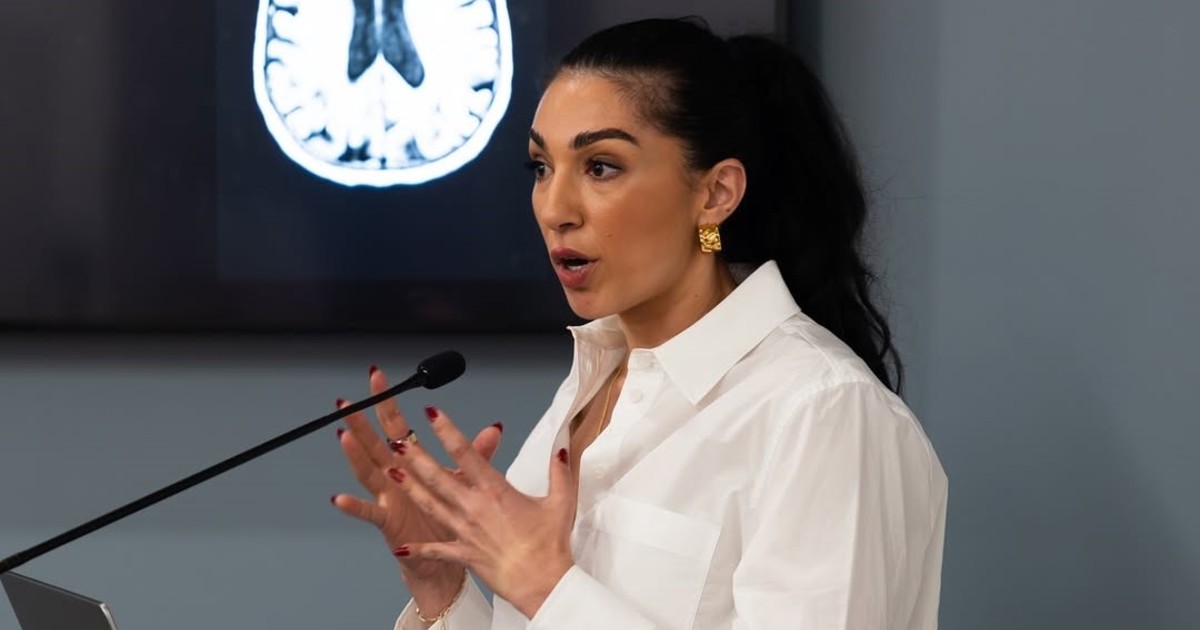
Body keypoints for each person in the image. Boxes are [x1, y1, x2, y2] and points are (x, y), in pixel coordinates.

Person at [330, 17, 947, 630]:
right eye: (541, 167)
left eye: (600, 166)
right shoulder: (593, 381)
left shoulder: (822, 410)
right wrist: (442, 587)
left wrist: (545, 587)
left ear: (715, 194)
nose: (555, 209)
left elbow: (550, 600)